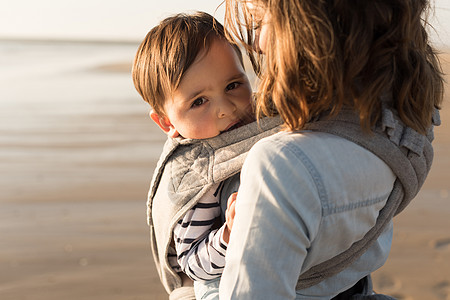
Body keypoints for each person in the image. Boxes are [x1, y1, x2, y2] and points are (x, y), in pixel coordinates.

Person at [219, 0, 444, 299]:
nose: (258, 44)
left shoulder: (281, 166)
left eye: (261, 22)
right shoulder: (394, 131)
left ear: (311, 23)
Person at [132, 11, 281, 300]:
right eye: (199, 102)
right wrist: (229, 232)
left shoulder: (249, 121)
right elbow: (192, 263)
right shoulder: (199, 175)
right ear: (167, 123)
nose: (226, 108)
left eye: (233, 85)